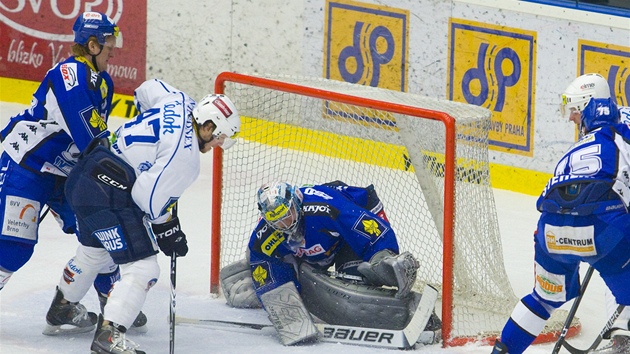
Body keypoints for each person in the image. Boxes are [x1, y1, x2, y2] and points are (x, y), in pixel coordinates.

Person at [58, 78, 240, 354]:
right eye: (218, 138)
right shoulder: (185, 160)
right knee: (143, 267)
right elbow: (146, 198)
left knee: (94, 252)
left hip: (84, 174)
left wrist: (149, 152)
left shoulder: (180, 100)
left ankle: (61, 308)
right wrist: (167, 227)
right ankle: (108, 337)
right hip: (107, 194)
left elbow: (146, 88)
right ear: (207, 126)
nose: (217, 144)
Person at [0, 11, 122, 334]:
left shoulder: (103, 82)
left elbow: (95, 141)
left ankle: (104, 303)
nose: (113, 48)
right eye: (108, 42)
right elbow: (94, 142)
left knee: (101, 231)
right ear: (92, 45)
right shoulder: (71, 77)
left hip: (64, 174)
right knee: (12, 250)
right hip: (27, 167)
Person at [491, 97, 630, 354]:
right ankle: (625, 337)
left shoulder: (574, 150)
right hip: (602, 227)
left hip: (552, 230)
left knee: (542, 301)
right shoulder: (622, 136)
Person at [219, 180, 432, 346]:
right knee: (285, 277)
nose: (284, 223)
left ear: (295, 201)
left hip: (354, 225)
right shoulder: (266, 233)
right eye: (277, 219)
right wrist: (279, 298)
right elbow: (262, 257)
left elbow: (363, 225)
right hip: (317, 243)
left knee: (356, 281)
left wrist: (383, 256)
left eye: (287, 214)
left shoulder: (325, 207)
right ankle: (251, 274)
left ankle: (392, 283)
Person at [559, 73, 630, 352]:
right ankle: (623, 333)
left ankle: (623, 333)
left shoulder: (615, 134)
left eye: (574, 110)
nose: (571, 118)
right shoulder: (609, 125)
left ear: (590, 105)